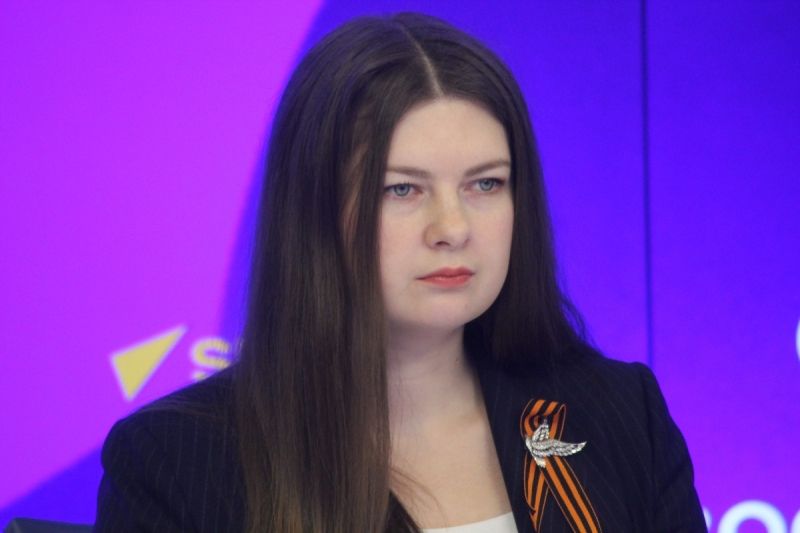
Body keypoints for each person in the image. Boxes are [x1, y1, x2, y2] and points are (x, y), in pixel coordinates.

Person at [94, 12, 706, 533]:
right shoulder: (173, 460)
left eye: (485, 184)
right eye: (403, 189)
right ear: (313, 210)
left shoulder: (621, 412)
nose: (453, 227)